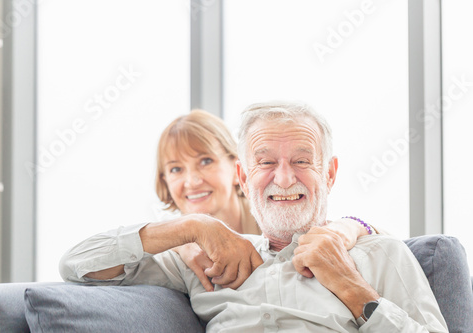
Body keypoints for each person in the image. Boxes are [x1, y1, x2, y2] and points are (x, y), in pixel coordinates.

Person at [60, 102, 447, 331]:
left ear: (329, 173)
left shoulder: (380, 255)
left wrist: (354, 291)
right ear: (243, 176)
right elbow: (77, 264)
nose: (283, 177)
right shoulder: (202, 260)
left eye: (301, 161)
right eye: (265, 163)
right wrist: (190, 226)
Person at [153, 109, 379, 291]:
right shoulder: (178, 247)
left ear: (236, 170)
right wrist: (178, 241)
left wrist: (351, 225)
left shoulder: (279, 216)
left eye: (205, 161)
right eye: (175, 169)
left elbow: (389, 248)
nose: (191, 181)